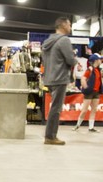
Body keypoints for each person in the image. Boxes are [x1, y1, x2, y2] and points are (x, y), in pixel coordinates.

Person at [42, 17, 77, 145]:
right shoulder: (64, 40)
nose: (70, 27)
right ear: (63, 25)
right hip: (60, 78)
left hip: (49, 78)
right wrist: (75, 58)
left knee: (54, 108)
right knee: (56, 109)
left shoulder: (47, 41)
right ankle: (50, 136)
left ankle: (49, 135)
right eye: (69, 24)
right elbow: (70, 60)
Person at [72, 53, 103, 132]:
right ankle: (77, 125)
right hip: (89, 92)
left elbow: (100, 79)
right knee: (84, 110)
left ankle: (91, 127)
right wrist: (85, 86)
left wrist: (102, 85)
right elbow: (83, 78)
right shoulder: (90, 69)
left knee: (94, 110)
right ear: (96, 61)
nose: (101, 61)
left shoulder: (99, 70)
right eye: (100, 59)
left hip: (96, 92)